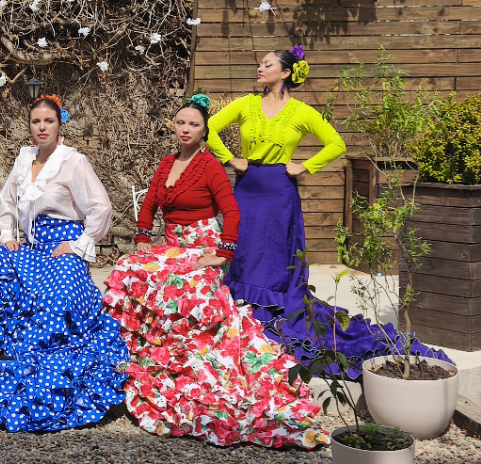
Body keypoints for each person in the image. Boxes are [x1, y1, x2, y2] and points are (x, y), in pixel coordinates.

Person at [206, 46, 450, 377]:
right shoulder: (245, 104)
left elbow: (337, 144)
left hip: (280, 190)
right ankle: (241, 309)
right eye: (260, 64)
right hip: (247, 188)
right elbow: (208, 127)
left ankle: (273, 310)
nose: (259, 68)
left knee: (277, 251)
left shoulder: (302, 111)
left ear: (286, 72)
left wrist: (305, 167)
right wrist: (230, 158)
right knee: (245, 248)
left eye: (267, 64)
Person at [103, 94, 328, 448]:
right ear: (173, 127)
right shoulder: (166, 163)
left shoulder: (209, 166)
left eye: (194, 124)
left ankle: (185, 353)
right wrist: (142, 235)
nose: (186, 129)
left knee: (185, 286)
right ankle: (136, 347)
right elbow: (149, 203)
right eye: (181, 123)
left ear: (205, 130)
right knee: (128, 268)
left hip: (204, 244)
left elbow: (232, 212)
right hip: (172, 245)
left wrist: (223, 253)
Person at [0, 95, 128, 432]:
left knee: (57, 300)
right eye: (36, 122)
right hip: (33, 247)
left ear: (59, 124)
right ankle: (3, 343)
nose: (41, 127)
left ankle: (47, 374)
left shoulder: (73, 161)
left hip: (64, 248)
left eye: (48, 121)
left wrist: (79, 244)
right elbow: (7, 200)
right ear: (30, 126)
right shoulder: (24, 159)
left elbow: (101, 208)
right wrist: (7, 233)